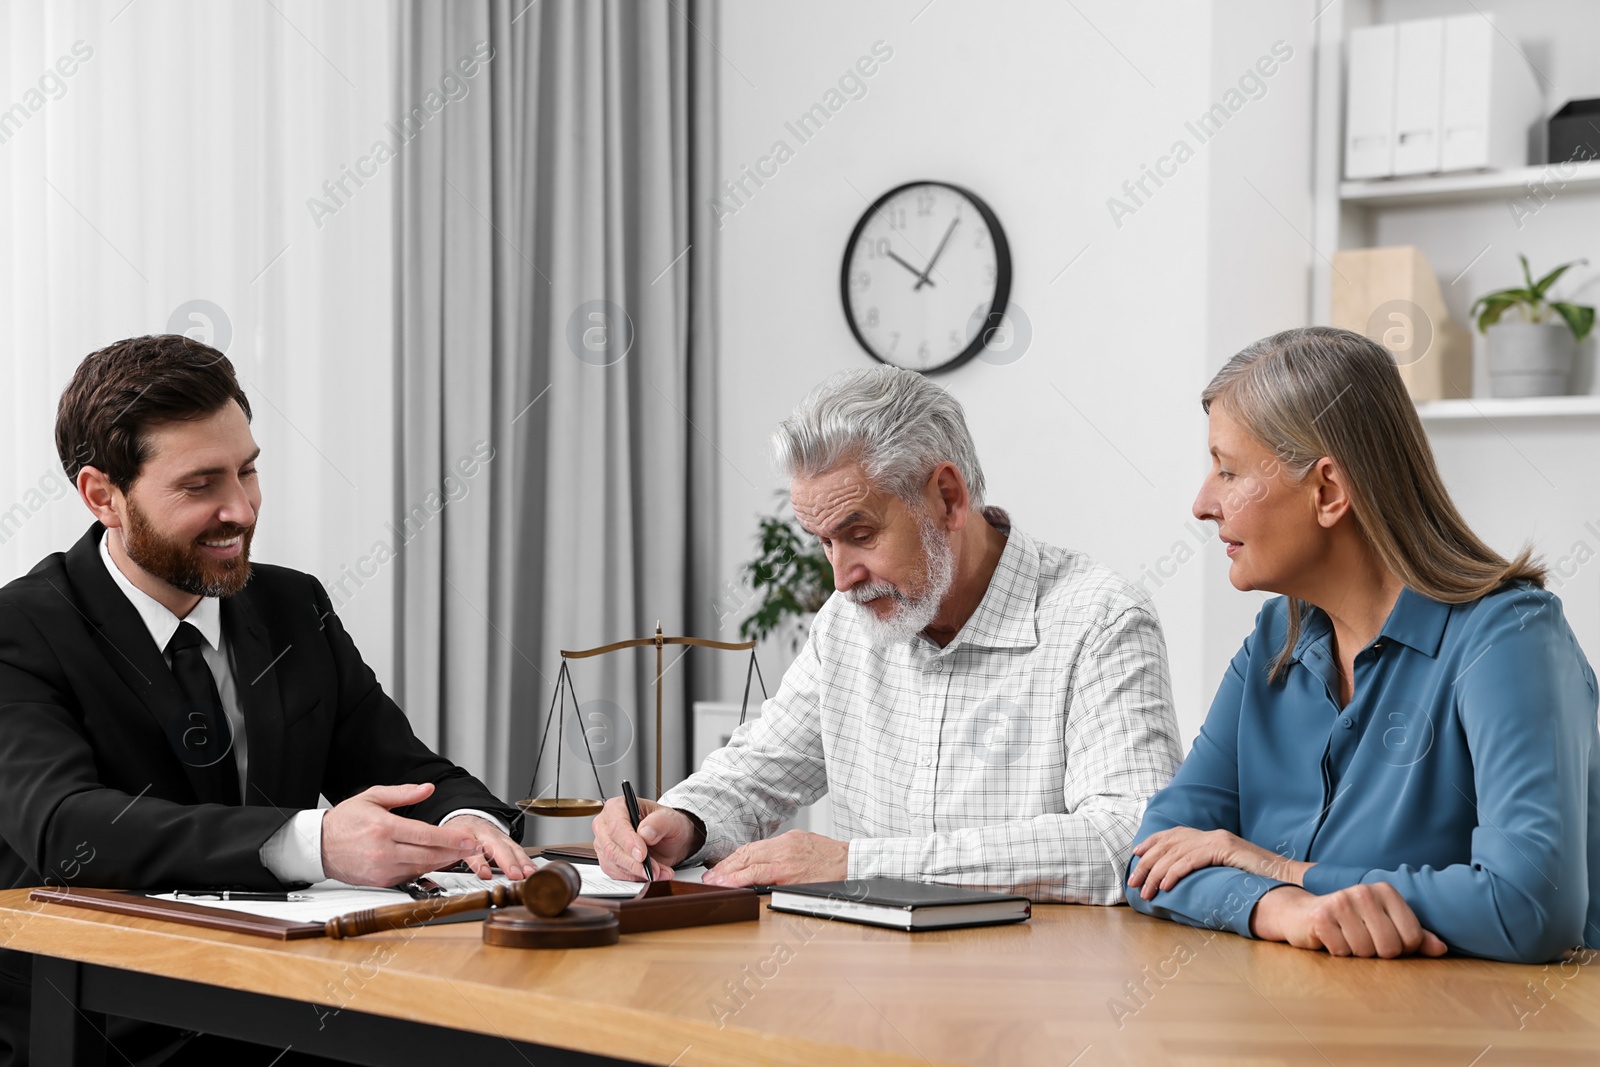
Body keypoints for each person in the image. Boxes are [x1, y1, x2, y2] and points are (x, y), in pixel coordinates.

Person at [0, 335, 532, 1066]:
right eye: (201, 485)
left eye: (248, 472)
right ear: (103, 495)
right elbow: (65, 827)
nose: (241, 510)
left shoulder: (292, 604)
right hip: (104, 1029)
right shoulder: (22, 628)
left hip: (290, 1012)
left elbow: (411, 773)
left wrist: (471, 825)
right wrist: (313, 842)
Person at [592, 366, 1182, 900]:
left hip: (1031, 1002)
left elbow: (1129, 842)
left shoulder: (1099, 618)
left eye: (861, 534)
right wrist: (683, 820)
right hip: (863, 994)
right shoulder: (846, 626)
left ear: (947, 498)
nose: (841, 579)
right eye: (824, 541)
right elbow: (757, 770)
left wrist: (857, 864)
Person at [1125, 326, 1600, 964]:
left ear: (1328, 491)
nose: (1202, 503)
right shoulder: (1275, 639)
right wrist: (1279, 909)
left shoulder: (1509, 638)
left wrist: (1285, 870)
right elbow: (1154, 858)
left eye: (1229, 470)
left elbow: (1530, 905)